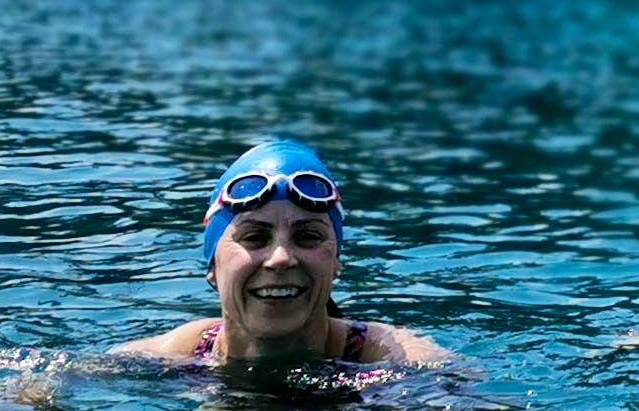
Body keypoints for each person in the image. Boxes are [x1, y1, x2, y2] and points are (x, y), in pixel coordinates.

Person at [113, 134, 454, 374]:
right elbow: (67, 377)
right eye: (254, 237)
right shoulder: (184, 353)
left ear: (336, 263)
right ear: (212, 267)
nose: (280, 258)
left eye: (307, 237)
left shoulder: (392, 357)